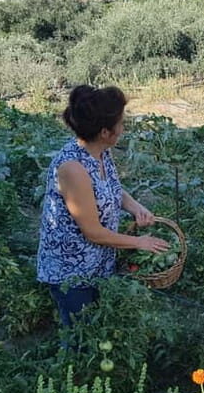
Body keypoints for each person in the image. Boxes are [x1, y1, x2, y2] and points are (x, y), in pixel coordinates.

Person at [37, 85, 169, 326]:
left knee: (99, 332)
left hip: (97, 266)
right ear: (106, 132)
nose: (124, 127)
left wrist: (135, 207)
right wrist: (140, 242)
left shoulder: (99, 152)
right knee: (81, 339)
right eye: (121, 122)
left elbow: (110, 188)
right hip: (72, 273)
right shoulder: (73, 168)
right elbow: (93, 232)